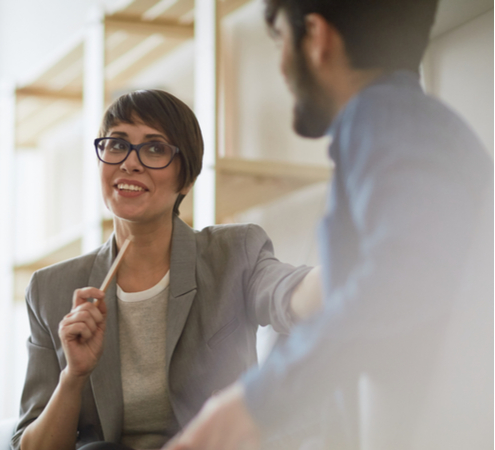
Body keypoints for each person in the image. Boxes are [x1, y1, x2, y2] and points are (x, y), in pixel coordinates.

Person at [165, 1, 493, 449]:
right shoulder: (421, 126)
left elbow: (401, 284)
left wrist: (249, 408)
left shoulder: (381, 115)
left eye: (280, 39)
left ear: (317, 37)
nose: (281, 66)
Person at [12, 89, 323, 450]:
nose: (130, 162)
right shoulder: (50, 289)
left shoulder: (234, 253)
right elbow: (32, 446)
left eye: (155, 148)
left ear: (186, 179)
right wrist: (74, 376)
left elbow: (288, 291)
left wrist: (355, 272)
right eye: (116, 145)